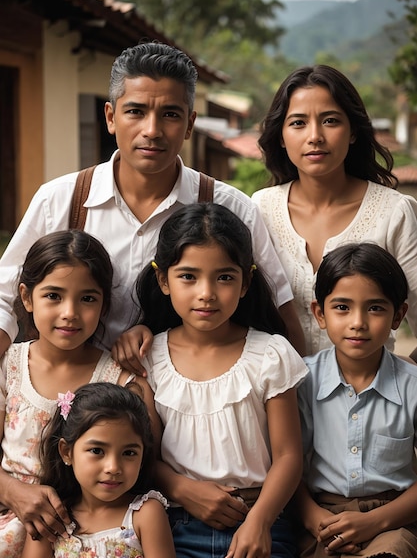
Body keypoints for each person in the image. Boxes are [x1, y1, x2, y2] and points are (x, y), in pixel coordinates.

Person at [0, 42, 305, 365]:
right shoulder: (61, 200)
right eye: (135, 111)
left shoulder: (231, 208)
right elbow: (6, 295)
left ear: (190, 124)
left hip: (188, 404)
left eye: (170, 114)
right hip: (73, 397)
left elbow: (278, 313)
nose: (152, 130)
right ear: (110, 117)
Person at [135, 202, 308, 558]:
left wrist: (260, 523)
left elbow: (289, 456)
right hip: (176, 536)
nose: (206, 293)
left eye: (224, 277)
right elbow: (146, 456)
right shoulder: (149, 358)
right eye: (188, 277)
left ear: (246, 283)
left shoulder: (269, 354)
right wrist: (182, 490)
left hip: (261, 525)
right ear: (163, 279)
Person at [0, 230, 158, 558]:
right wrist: (13, 490)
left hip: (82, 541)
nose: (70, 312)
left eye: (87, 298)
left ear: (104, 306)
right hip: (10, 521)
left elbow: (145, 460)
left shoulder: (120, 378)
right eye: (53, 296)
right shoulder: (10, 365)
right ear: (25, 297)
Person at [252, 64, 417, 357]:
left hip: (370, 399)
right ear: (280, 136)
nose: (314, 136)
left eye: (330, 120)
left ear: (353, 131)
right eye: (298, 123)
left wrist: (401, 385)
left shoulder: (394, 213)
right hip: (279, 399)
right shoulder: (260, 209)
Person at [291, 242, 417, 558]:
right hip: (318, 516)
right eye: (342, 307)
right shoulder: (300, 382)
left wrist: (375, 522)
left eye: (375, 307)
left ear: (399, 316)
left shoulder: (412, 386)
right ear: (319, 313)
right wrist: (312, 517)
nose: (358, 322)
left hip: (394, 516)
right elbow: (284, 463)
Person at [6, 382, 178, 558]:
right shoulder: (54, 513)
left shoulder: (144, 512)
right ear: (67, 452)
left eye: (129, 453)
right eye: (97, 451)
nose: (113, 468)